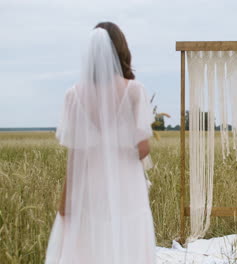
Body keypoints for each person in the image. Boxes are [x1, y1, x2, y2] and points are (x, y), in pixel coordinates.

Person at [45, 22, 156, 263]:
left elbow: (75, 157)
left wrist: (65, 201)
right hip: (127, 187)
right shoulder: (135, 91)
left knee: (91, 245)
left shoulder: (73, 95)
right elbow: (142, 149)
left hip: (89, 186)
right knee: (129, 240)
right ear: (121, 51)